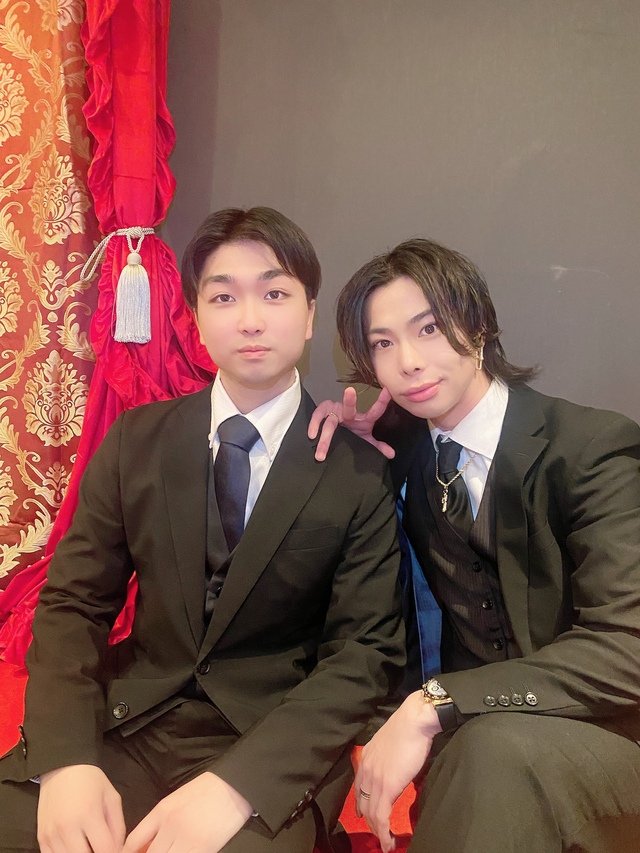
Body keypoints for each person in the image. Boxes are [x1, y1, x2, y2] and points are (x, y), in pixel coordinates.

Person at [0, 207, 405, 853]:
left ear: (309, 316)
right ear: (195, 317)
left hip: (267, 742)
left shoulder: (359, 469)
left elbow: (364, 654)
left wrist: (239, 785)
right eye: (223, 296)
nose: (250, 319)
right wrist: (67, 759)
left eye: (274, 294)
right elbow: (74, 602)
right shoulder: (137, 440)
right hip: (127, 726)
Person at [309, 237, 640, 853]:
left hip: (609, 742)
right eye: (383, 343)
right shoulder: (400, 454)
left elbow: (628, 647)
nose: (409, 361)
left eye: (429, 328)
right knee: (479, 756)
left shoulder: (590, 448)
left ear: (479, 325)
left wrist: (436, 702)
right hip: (479, 753)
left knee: (490, 752)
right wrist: (351, 460)